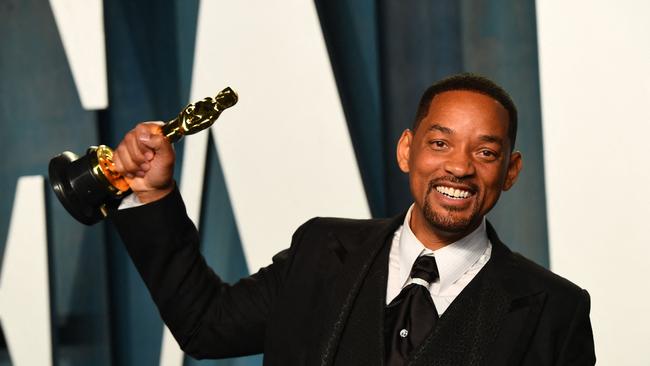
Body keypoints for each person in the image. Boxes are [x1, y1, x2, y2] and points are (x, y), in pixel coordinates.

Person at [111, 73, 595, 365]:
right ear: (407, 150)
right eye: (440, 143)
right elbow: (205, 326)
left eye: (485, 151)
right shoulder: (321, 251)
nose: (460, 167)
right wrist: (153, 194)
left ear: (510, 171)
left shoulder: (555, 311)